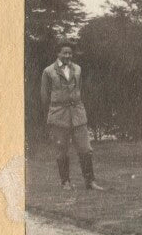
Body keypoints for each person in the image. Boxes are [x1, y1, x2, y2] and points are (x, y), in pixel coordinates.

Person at [40, 41, 103, 191]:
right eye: (64, 53)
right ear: (58, 54)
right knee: (62, 149)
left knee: (86, 149)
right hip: (58, 116)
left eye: (70, 53)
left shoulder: (78, 69)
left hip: (78, 115)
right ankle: (65, 182)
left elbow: (79, 89)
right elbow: (44, 96)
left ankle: (90, 182)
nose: (67, 55)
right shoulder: (48, 71)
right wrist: (50, 115)